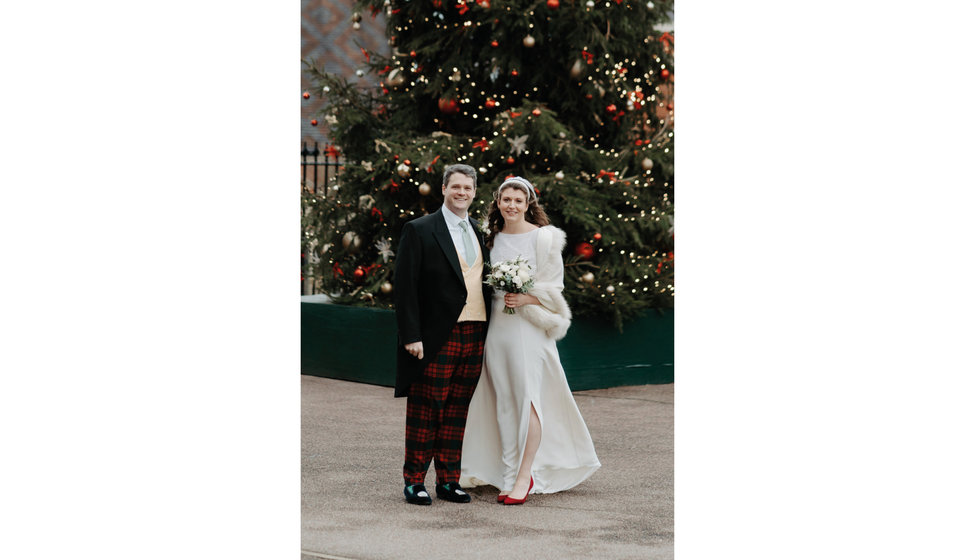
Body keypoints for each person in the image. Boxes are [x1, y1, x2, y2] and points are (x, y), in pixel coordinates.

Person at [460, 177, 600, 505]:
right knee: (504, 401)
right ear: (498, 203)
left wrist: (527, 299)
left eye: (518, 201)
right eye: (506, 199)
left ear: (528, 205)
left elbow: (555, 291)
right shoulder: (490, 239)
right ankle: (507, 474)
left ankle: (525, 475)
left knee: (529, 399)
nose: (511, 205)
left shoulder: (544, 239)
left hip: (529, 329)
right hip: (497, 328)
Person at [393, 163, 493, 506]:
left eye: (467, 188)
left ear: (474, 192)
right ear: (444, 189)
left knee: (456, 410)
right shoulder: (419, 229)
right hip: (437, 334)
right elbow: (405, 288)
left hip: (476, 331)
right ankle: (414, 481)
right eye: (456, 187)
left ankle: (449, 481)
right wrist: (411, 334)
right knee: (426, 408)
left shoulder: (480, 232)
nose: (461, 193)